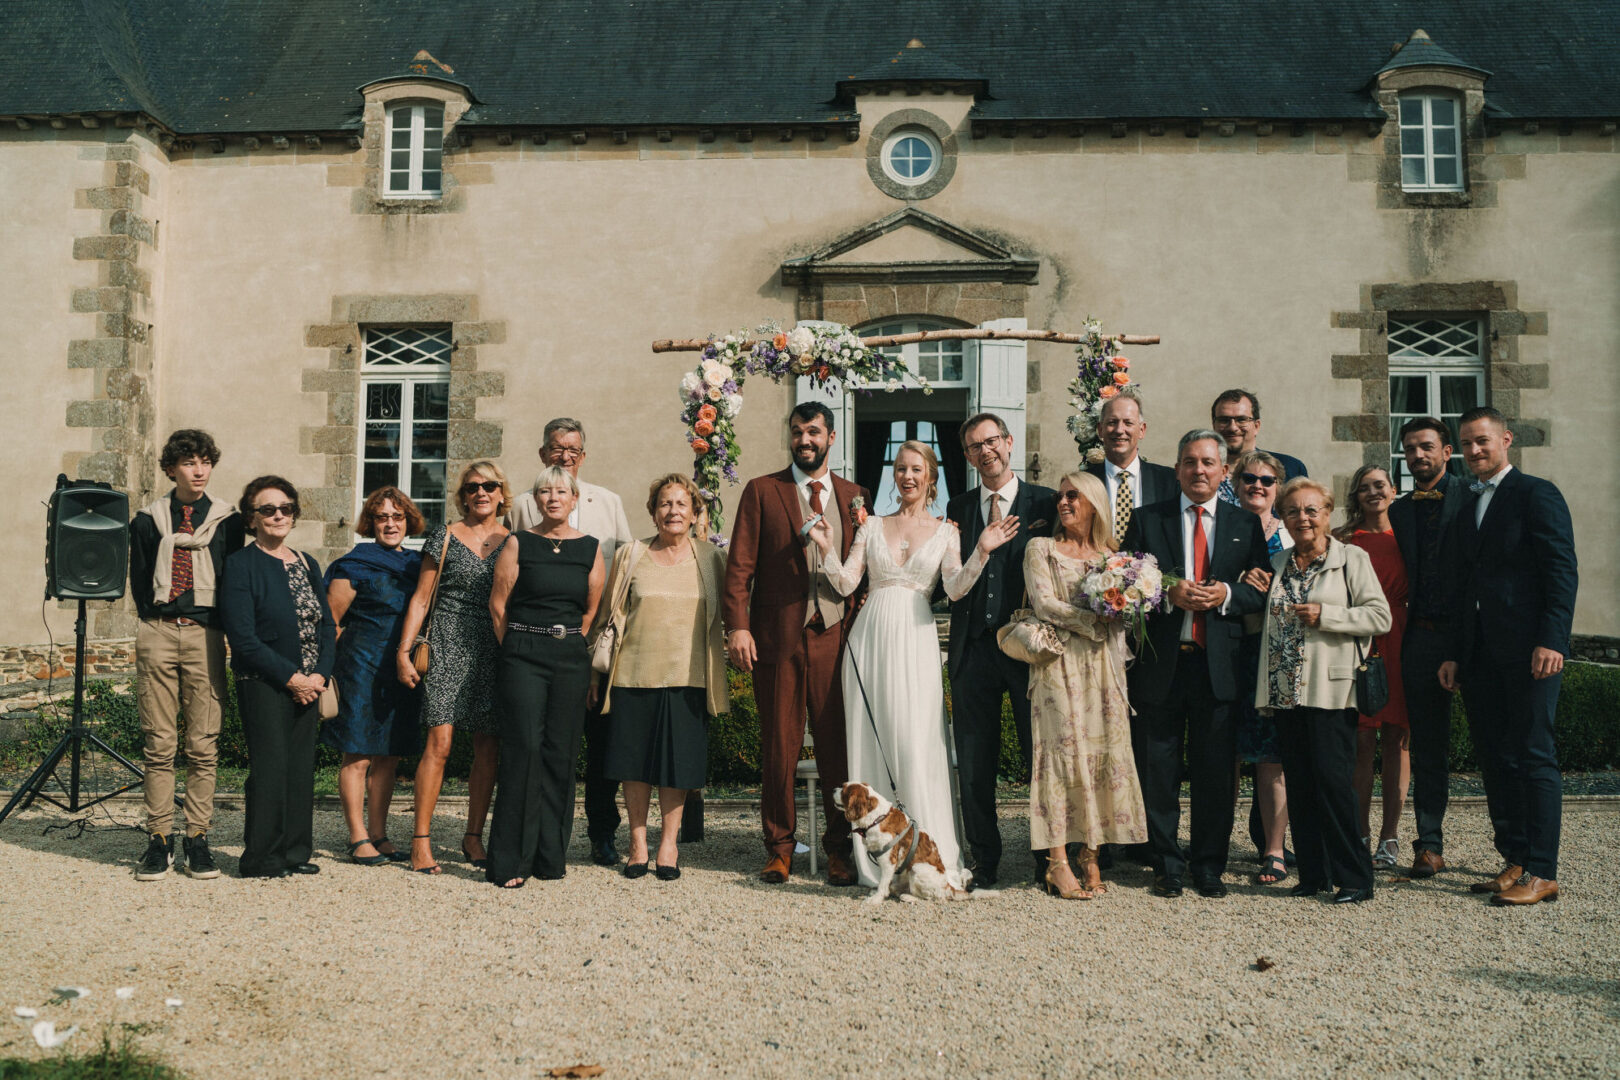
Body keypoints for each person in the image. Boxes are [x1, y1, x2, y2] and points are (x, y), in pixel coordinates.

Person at [811, 441, 1014, 889]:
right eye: (900, 468)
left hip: (917, 641)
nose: (906, 476)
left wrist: (982, 549)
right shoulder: (871, 526)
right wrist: (827, 547)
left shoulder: (947, 532)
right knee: (870, 736)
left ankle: (926, 851)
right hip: (869, 640)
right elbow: (846, 582)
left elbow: (956, 589)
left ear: (931, 476)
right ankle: (875, 855)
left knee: (916, 740)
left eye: (916, 469)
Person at [722, 402, 869, 886]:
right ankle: (779, 848)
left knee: (837, 749)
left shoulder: (854, 495)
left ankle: (839, 849)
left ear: (831, 437)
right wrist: (737, 627)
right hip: (777, 637)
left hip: (834, 637)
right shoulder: (764, 491)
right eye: (797, 432)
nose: (804, 440)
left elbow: (864, 570)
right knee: (779, 747)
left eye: (813, 432)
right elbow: (740, 566)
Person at [1120, 429, 1269, 899]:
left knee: (1215, 775)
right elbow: (1125, 580)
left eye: (1208, 462)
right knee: (1158, 771)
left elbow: (1260, 591)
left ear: (1224, 470)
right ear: (1178, 469)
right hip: (1163, 665)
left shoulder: (1245, 524)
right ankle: (1167, 864)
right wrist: (1168, 590)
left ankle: (1209, 865)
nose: (1198, 470)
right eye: (1189, 462)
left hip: (1218, 667)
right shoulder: (1148, 519)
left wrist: (1225, 593)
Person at [1439, 407, 1577, 907]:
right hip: (1479, 655)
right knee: (1496, 758)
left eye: (1483, 441)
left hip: (1530, 651)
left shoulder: (1537, 493)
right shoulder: (1467, 503)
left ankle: (1542, 870)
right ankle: (1515, 858)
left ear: (1505, 440)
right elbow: (1464, 587)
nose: (1475, 451)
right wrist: (1456, 653)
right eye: (1468, 443)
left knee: (1534, 754)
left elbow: (1561, 572)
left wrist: (1553, 640)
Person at [1251, 477, 1391, 904]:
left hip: (1332, 693)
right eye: (1292, 511)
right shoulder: (1276, 563)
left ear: (1328, 514)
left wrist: (1327, 616)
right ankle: (1313, 875)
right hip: (1286, 693)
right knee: (1302, 786)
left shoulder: (1351, 558)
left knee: (1334, 786)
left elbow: (1379, 617)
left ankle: (1355, 878)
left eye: (1312, 510)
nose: (1302, 518)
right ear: (1283, 519)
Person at [508, 417, 636, 867]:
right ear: (543, 453)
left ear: (584, 456)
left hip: (597, 642)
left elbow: (623, 571)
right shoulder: (522, 505)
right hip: (539, 642)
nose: (566, 455)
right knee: (537, 741)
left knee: (599, 742)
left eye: (574, 449)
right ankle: (532, 839)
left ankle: (602, 833)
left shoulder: (609, 502)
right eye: (557, 448)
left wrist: (601, 636)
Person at [589, 474, 728, 881]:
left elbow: (733, 609)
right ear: (652, 512)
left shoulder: (711, 559)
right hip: (633, 673)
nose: (673, 511)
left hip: (690, 676)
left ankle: (668, 843)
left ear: (694, 512)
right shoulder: (630, 555)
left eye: (682, 504)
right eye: (665, 504)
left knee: (677, 766)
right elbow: (607, 617)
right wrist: (594, 676)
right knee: (634, 765)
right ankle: (637, 843)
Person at [944, 413, 1058, 887]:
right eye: (974, 446)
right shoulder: (960, 505)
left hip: (1027, 647)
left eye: (991, 441)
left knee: (1040, 757)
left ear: (1009, 443)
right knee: (974, 762)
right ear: (968, 456)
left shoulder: (1047, 502)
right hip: (973, 651)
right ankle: (985, 859)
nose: (984, 451)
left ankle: (1046, 858)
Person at [1022, 471, 1148, 899]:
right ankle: (1057, 861)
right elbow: (1043, 603)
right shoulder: (1041, 548)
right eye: (1060, 496)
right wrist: (1092, 621)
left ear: (1094, 503)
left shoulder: (1113, 559)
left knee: (1103, 752)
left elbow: (1130, 612)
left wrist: (1127, 609)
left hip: (1105, 668)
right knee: (1059, 757)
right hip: (1057, 665)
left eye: (1073, 496)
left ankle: (1090, 853)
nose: (1064, 503)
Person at [128, 429, 245, 881]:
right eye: (189, 462)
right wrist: (157, 616)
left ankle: (197, 837)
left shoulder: (226, 521)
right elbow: (139, 580)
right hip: (158, 630)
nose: (199, 470)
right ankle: (158, 839)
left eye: (205, 462)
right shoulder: (149, 519)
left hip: (205, 634)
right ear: (171, 468)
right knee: (158, 743)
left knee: (203, 743)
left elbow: (233, 581)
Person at [486, 465, 604, 887]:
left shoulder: (591, 548)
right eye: (544, 491)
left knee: (560, 753)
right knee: (523, 750)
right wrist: (521, 644)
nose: (553, 497)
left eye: (561, 491)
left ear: (575, 499)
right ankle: (510, 862)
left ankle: (549, 857)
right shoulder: (519, 543)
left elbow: (590, 612)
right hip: (523, 654)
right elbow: (498, 606)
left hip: (569, 656)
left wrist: (565, 643)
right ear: (535, 499)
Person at [395, 461, 513, 874]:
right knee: (439, 743)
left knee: (488, 746)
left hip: (495, 648)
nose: (481, 492)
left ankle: (473, 836)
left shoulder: (514, 541)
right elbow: (421, 599)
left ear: (502, 493)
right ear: (463, 495)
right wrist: (403, 651)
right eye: (472, 486)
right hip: (446, 643)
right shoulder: (444, 537)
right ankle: (420, 841)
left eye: (489, 485)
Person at [220, 476, 335, 879]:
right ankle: (261, 858)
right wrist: (293, 678)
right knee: (270, 768)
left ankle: (294, 851)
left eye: (285, 508)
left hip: (310, 685)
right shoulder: (239, 565)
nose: (278, 515)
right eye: (267, 509)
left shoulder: (307, 562)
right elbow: (243, 638)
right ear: (251, 518)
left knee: (300, 768)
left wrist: (319, 675)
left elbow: (326, 626)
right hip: (265, 682)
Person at [322, 487, 425, 865]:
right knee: (359, 754)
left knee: (388, 756)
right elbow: (331, 622)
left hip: (402, 667)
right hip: (360, 665)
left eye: (397, 517)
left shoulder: (418, 564)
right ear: (371, 523)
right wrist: (326, 673)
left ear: (408, 522)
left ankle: (379, 833)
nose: (390, 524)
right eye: (382, 517)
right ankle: (356, 835)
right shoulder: (354, 564)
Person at [1388, 417, 1466, 879]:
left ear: (1446, 452)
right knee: (1428, 747)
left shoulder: (1474, 499)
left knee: (1496, 743)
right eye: (1410, 449)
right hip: (1422, 637)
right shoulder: (1400, 511)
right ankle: (1429, 845)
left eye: (1427, 448)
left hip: (1473, 637)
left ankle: (1515, 850)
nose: (1418, 456)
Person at [1336, 464, 1410, 870]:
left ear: (1393, 490)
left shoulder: (1408, 538)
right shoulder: (1344, 540)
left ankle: (1391, 837)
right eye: (1363, 488)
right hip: (1358, 641)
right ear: (1356, 496)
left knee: (1399, 739)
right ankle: (1360, 833)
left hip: (1401, 639)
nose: (1372, 493)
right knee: (1361, 741)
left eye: (1379, 485)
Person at [1229, 451, 1293, 885]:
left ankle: (1274, 849)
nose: (1257, 485)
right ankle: (1215, 841)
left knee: (1273, 757)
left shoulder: (1292, 535)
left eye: (1266, 480)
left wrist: (1274, 588)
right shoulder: (1225, 528)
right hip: (1232, 650)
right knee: (1225, 755)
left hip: (1275, 655)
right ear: (1235, 483)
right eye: (1248, 478)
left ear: (1278, 487)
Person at [1085, 388, 1178, 544]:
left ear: (1142, 430)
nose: (1120, 430)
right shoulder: (1084, 483)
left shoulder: (1169, 482)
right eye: (1112, 422)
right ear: (1100, 430)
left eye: (1128, 423)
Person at [1211, 388, 1307, 508]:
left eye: (1241, 420)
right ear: (1214, 426)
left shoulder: (1291, 469)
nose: (1232, 427)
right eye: (1224, 420)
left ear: (1256, 426)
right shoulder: (1197, 473)